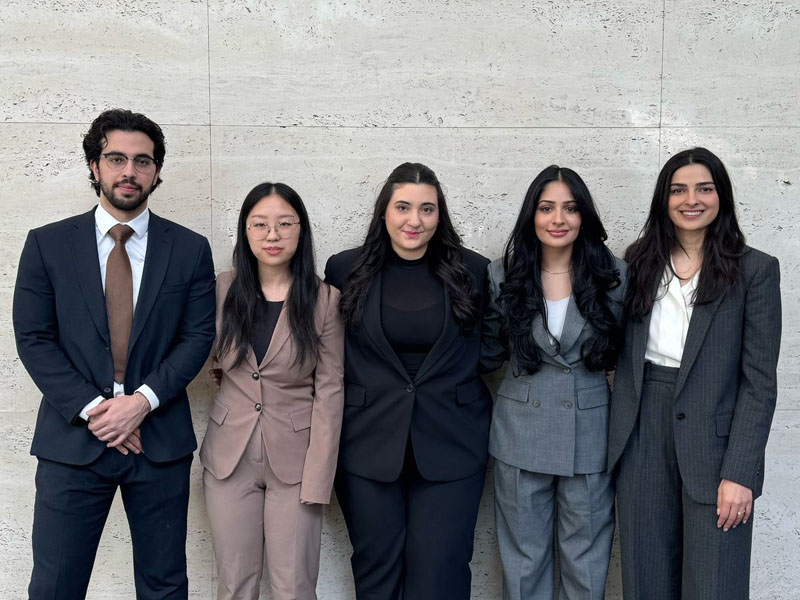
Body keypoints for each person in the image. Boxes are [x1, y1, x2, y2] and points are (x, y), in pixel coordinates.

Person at [13, 108, 216, 599]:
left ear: (157, 171)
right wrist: (96, 410)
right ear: (94, 166)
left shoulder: (189, 249)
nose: (130, 171)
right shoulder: (47, 245)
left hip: (158, 442)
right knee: (55, 586)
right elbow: (34, 338)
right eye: (117, 158)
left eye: (142, 161)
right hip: (72, 444)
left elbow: (197, 337)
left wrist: (140, 402)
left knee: (164, 586)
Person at [608, 147, 782, 599]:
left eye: (704, 188)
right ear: (663, 199)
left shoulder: (755, 270)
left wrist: (741, 472)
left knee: (714, 583)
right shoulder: (637, 262)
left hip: (716, 445)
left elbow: (759, 382)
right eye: (678, 189)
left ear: (720, 195)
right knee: (645, 579)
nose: (692, 199)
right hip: (643, 431)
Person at [324, 162, 492, 600]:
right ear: (384, 211)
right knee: (376, 569)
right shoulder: (344, 270)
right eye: (403, 207)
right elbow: (322, 346)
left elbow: (491, 345)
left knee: (440, 570)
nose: (413, 220)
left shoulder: (473, 270)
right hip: (367, 442)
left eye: (426, 209)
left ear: (440, 216)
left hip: (453, 442)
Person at [481, 165, 625, 599]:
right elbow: (489, 348)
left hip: (591, 436)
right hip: (520, 433)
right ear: (532, 215)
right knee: (523, 565)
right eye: (546, 208)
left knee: (587, 562)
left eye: (570, 208)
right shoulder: (502, 275)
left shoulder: (614, 274)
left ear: (584, 216)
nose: (558, 219)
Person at [200, 182, 344, 600]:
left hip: (297, 465)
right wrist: (217, 367)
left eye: (284, 224)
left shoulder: (324, 300)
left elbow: (331, 393)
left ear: (301, 231)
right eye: (259, 224)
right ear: (245, 232)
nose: (272, 234)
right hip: (229, 459)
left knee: (294, 587)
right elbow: (200, 348)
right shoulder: (221, 289)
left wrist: (319, 478)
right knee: (234, 585)